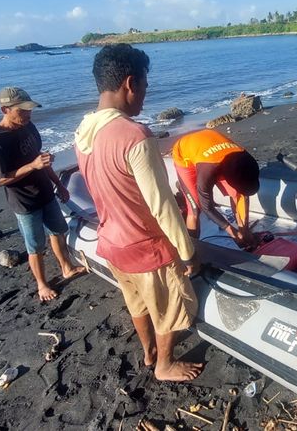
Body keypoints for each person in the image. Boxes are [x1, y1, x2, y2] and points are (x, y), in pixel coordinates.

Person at [74, 43, 203, 381]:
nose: (146, 94)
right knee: (168, 307)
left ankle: (147, 352)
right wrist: (187, 251)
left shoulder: (83, 132)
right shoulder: (134, 135)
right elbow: (161, 205)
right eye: (145, 85)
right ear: (130, 83)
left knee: (137, 303)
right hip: (145, 246)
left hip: (111, 242)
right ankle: (164, 364)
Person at [0, 87, 85, 301]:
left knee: (58, 231)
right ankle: (42, 285)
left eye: (29, 109)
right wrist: (32, 166)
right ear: (5, 109)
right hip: (24, 202)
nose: (28, 114)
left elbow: (40, 158)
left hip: (46, 192)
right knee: (35, 246)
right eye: (22, 110)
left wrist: (59, 184)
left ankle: (66, 267)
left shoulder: (28, 126)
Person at [172, 129, 260, 248]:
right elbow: (207, 207)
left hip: (215, 153)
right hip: (185, 157)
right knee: (195, 208)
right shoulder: (207, 171)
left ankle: (244, 231)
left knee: (237, 194)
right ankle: (191, 249)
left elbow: (242, 194)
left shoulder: (243, 155)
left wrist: (244, 230)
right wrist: (231, 231)